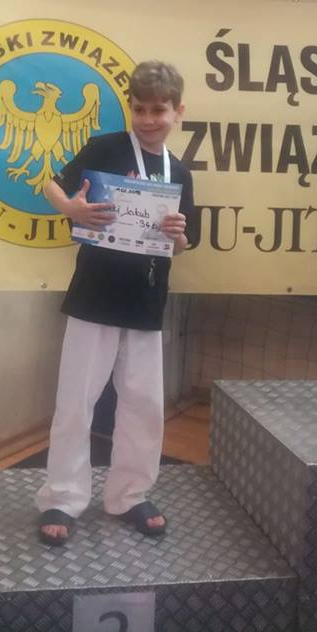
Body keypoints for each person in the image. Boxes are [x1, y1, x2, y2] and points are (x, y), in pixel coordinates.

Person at [36, 61, 196, 544]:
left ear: (178, 111)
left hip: (146, 299)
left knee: (144, 403)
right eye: (139, 108)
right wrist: (72, 209)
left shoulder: (179, 172)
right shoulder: (105, 147)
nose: (148, 119)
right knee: (76, 399)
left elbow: (184, 243)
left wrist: (178, 235)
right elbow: (51, 184)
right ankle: (62, 496)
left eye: (158, 110)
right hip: (95, 294)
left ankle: (130, 494)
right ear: (130, 107)